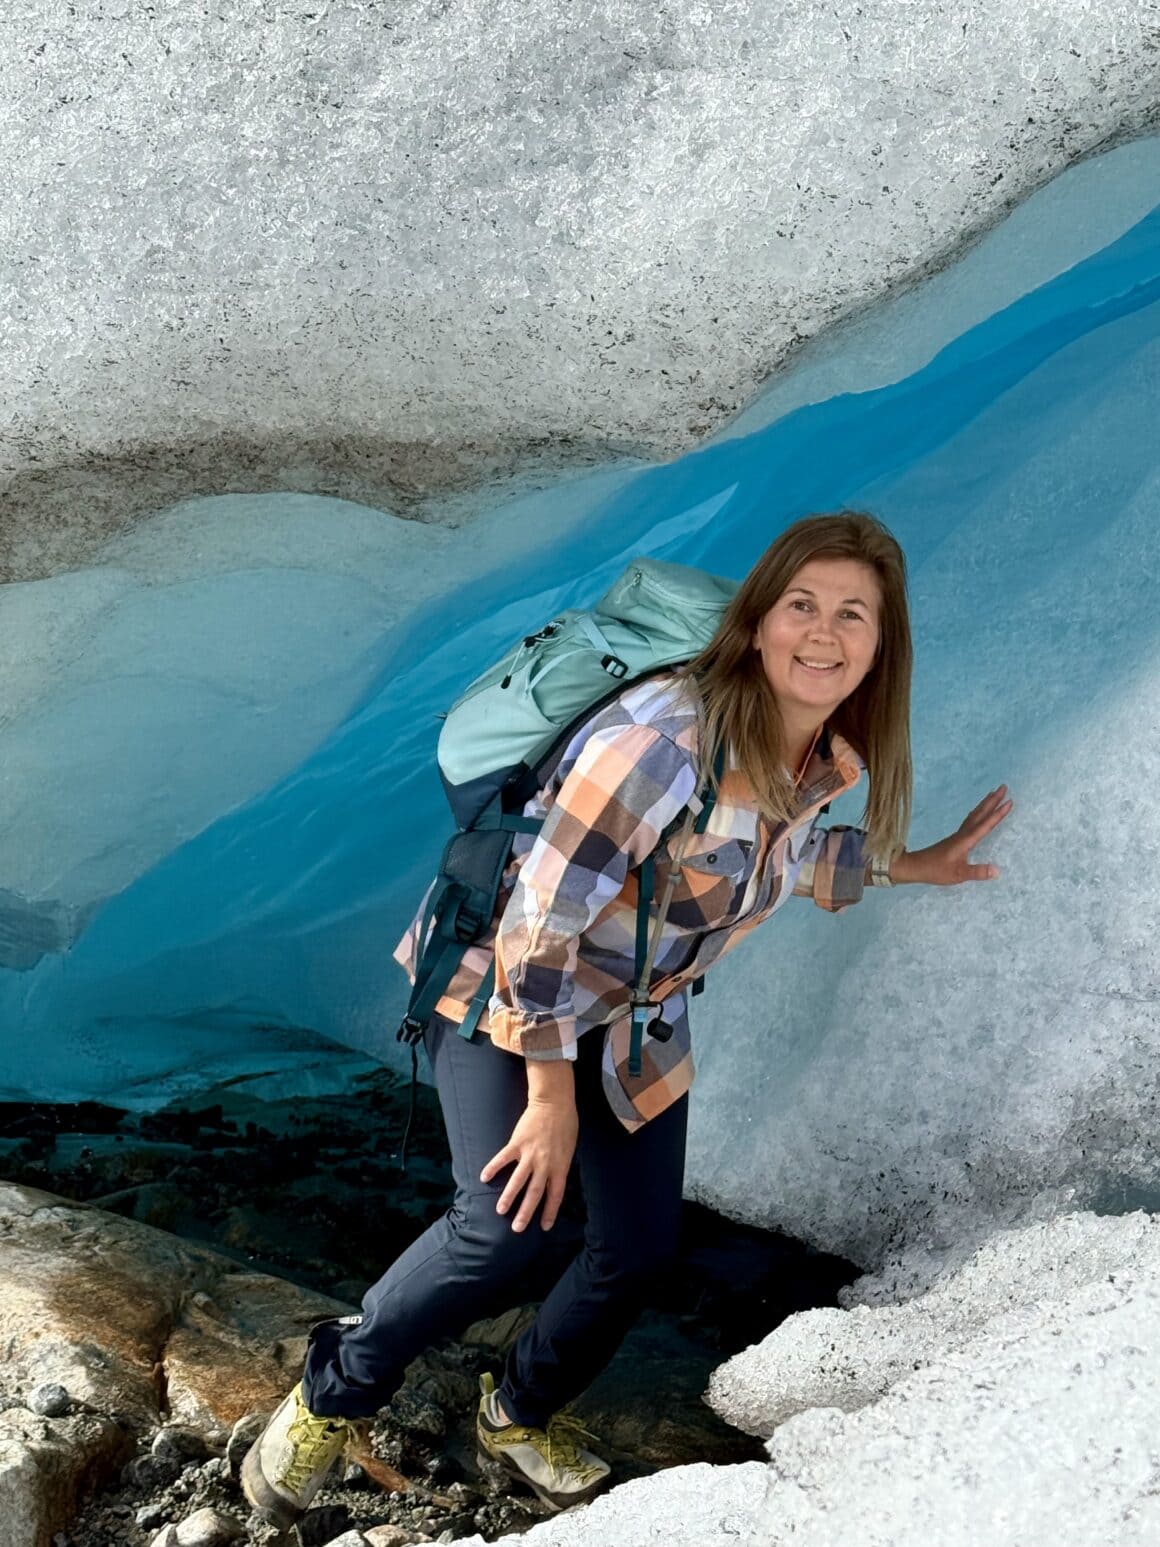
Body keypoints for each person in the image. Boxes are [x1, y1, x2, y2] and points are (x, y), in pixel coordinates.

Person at [242, 511, 1012, 1527]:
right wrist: (550, 1096)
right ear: (755, 619)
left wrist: (912, 860)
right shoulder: (658, 743)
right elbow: (537, 925)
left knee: (639, 1244)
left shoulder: (819, 753)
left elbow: (756, 867)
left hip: (629, 1010)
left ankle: (513, 1408)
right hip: (503, 985)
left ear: (880, 643)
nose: (822, 633)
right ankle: (327, 1392)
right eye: (800, 605)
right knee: (503, 1228)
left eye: (851, 614)